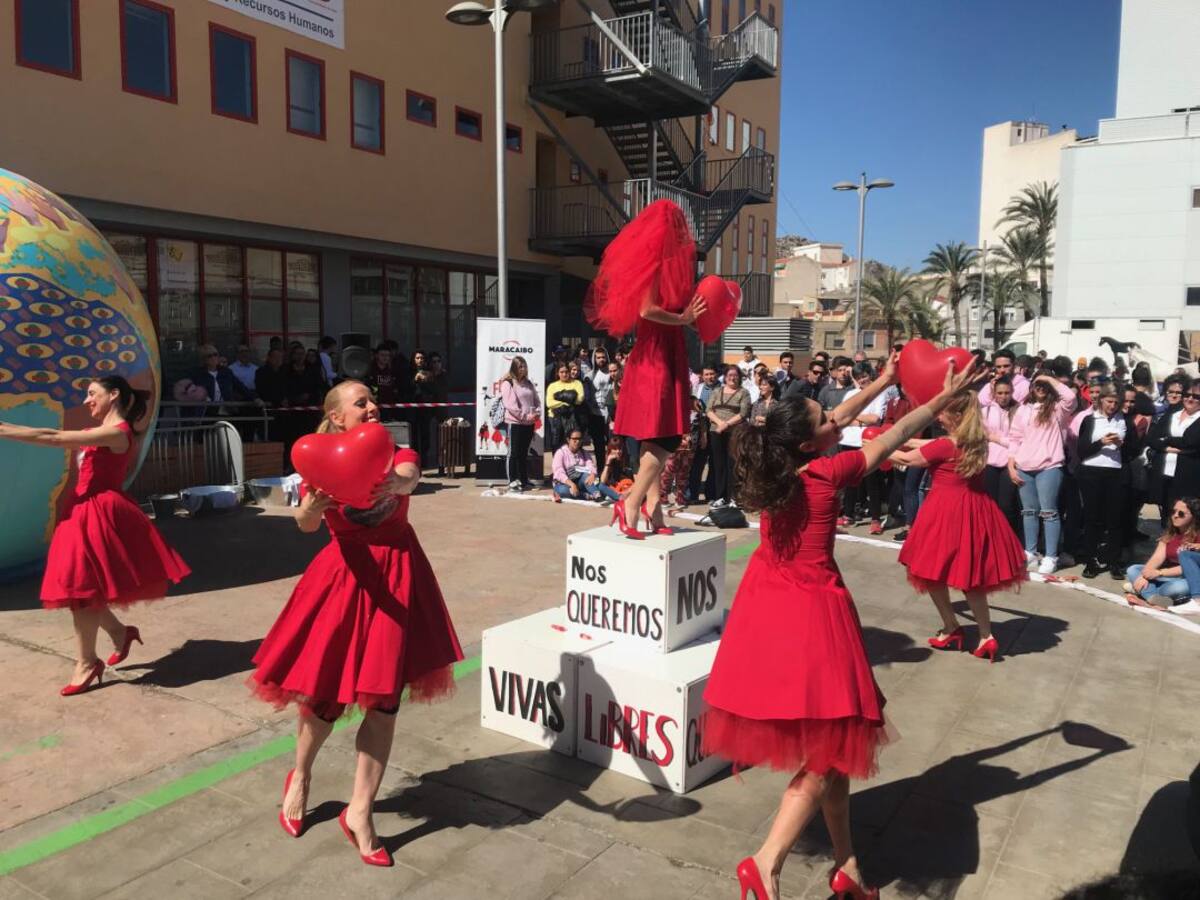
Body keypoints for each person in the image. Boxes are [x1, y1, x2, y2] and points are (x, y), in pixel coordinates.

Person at [703, 353, 979, 900]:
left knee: (838, 745)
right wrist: (941, 399)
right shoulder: (831, 472)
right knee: (830, 750)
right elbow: (900, 428)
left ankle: (849, 869)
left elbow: (840, 419)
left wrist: (885, 379)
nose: (837, 417)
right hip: (813, 613)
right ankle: (766, 861)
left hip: (768, 607)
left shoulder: (775, 465)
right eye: (825, 418)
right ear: (811, 441)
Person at [249, 381, 462, 866]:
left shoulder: (394, 450)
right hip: (346, 578)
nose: (372, 406)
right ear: (337, 416)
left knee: (384, 701)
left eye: (373, 399)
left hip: (399, 573)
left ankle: (360, 811)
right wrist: (311, 507)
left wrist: (400, 483)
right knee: (326, 697)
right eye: (360, 402)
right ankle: (301, 775)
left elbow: (408, 475)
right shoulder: (317, 462)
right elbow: (304, 523)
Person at [0, 376, 190, 694]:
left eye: (92, 394)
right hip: (82, 510)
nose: (87, 400)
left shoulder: (118, 433)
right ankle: (119, 633)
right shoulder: (97, 432)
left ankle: (87, 661)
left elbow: (52, 435)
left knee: (81, 588)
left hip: (99, 513)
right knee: (81, 588)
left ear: (114, 395)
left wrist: (4, 429)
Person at [584, 199, 706, 540]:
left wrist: (692, 319)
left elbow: (673, 310)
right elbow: (647, 308)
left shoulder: (671, 268)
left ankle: (654, 508)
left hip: (666, 352)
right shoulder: (654, 263)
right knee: (665, 434)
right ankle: (632, 501)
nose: (682, 233)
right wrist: (682, 318)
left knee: (658, 433)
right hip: (655, 355)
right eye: (678, 227)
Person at [892, 390, 1027, 663]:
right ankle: (986, 635)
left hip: (944, 511)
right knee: (970, 575)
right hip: (976, 509)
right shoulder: (976, 440)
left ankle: (952, 626)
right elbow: (931, 443)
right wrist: (903, 438)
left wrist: (875, 445)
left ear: (955, 416)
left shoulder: (946, 445)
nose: (938, 416)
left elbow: (908, 459)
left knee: (929, 569)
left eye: (943, 412)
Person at [1007, 373, 1077, 575]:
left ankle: (1051, 556)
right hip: (1023, 467)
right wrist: (1011, 465)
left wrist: (1048, 377)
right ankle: (1030, 551)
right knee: (1028, 512)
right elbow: (1014, 438)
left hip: (1049, 467)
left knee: (1049, 513)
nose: (1040, 388)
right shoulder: (1023, 409)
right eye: (1037, 384)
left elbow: (1070, 397)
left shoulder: (1058, 409)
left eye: (1044, 385)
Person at [1074, 384, 1138, 579]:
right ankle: (1091, 560)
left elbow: (1134, 450)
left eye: (1116, 403)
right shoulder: (1090, 419)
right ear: (1101, 400)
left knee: (1115, 519)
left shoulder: (1125, 420)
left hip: (1116, 472)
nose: (1112, 406)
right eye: (1109, 401)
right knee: (1093, 518)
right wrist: (1101, 442)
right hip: (1091, 471)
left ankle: (1113, 561)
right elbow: (1082, 450)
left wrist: (1121, 444)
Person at [837, 363, 889, 532]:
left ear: (870, 375)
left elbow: (875, 418)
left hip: (868, 442)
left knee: (871, 481)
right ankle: (848, 515)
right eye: (859, 378)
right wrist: (859, 419)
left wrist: (854, 417)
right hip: (848, 441)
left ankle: (875, 519)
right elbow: (842, 415)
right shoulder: (850, 394)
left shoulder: (880, 393)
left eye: (865, 376)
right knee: (850, 481)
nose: (862, 380)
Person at [1123, 497, 1200, 609]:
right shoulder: (1170, 533)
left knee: (1174, 588)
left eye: (1181, 513)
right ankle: (1152, 598)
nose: (1175, 515)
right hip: (1166, 576)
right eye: (1173, 511)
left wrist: (1159, 573)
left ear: (1193, 517)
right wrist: (1145, 575)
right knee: (1133, 569)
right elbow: (1157, 558)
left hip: (1188, 578)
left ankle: (1143, 591)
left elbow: (1189, 567)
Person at [1147, 379, 1200, 526]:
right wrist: (1166, 447)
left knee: (1185, 516)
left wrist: (1165, 439)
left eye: (1196, 396)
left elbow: (1192, 442)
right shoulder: (1173, 414)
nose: (1190, 398)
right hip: (1164, 473)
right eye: (1187, 394)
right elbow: (1151, 438)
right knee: (1166, 514)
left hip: (1188, 477)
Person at [705, 365, 750, 509]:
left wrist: (727, 424)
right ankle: (720, 497)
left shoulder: (744, 392)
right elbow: (708, 410)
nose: (732, 377)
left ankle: (733, 497)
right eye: (730, 375)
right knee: (718, 465)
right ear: (725, 377)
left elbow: (743, 413)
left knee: (733, 464)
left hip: (734, 432)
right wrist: (720, 423)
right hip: (716, 430)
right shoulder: (717, 391)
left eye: (735, 375)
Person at [981, 377, 1021, 536]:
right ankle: (992, 538)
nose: (1004, 396)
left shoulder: (1020, 411)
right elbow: (982, 435)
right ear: (994, 394)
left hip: (1009, 463)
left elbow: (1019, 440)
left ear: (1012, 392)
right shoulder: (986, 411)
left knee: (1007, 505)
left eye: (1007, 392)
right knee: (990, 504)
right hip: (989, 463)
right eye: (1000, 393)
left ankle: (1008, 539)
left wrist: (995, 438)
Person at [500, 356, 540, 492]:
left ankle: (524, 480)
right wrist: (525, 416)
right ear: (515, 368)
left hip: (528, 423)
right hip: (515, 422)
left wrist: (537, 412)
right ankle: (512, 480)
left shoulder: (528, 383)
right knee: (513, 452)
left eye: (525, 366)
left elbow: (536, 400)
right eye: (520, 366)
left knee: (523, 453)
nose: (523, 369)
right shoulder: (508, 383)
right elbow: (510, 405)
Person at [551, 429, 620, 502]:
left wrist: (593, 474)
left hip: (582, 482)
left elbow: (591, 466)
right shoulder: (561, 453)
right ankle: (585, 495)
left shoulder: (584, 453)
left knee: (591, 479)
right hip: (565, 483)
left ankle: (611, 496)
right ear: (568, 440)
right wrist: (571, 484)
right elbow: (558, 472)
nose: (577, 442)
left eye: (579, 439)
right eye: (574, 439)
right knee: (563, 491)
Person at [545, 361, 584, 451]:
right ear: (557, 373)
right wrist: (566, 402)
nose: (564, 374)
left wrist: (559, 397)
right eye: (561, 372)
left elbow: (579, 400)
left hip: (572, 418)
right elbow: (549, 403)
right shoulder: (552, 386)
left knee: (572, 445)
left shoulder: (577, 383)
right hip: (555, 418)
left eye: (566, 371)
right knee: (556, 444)